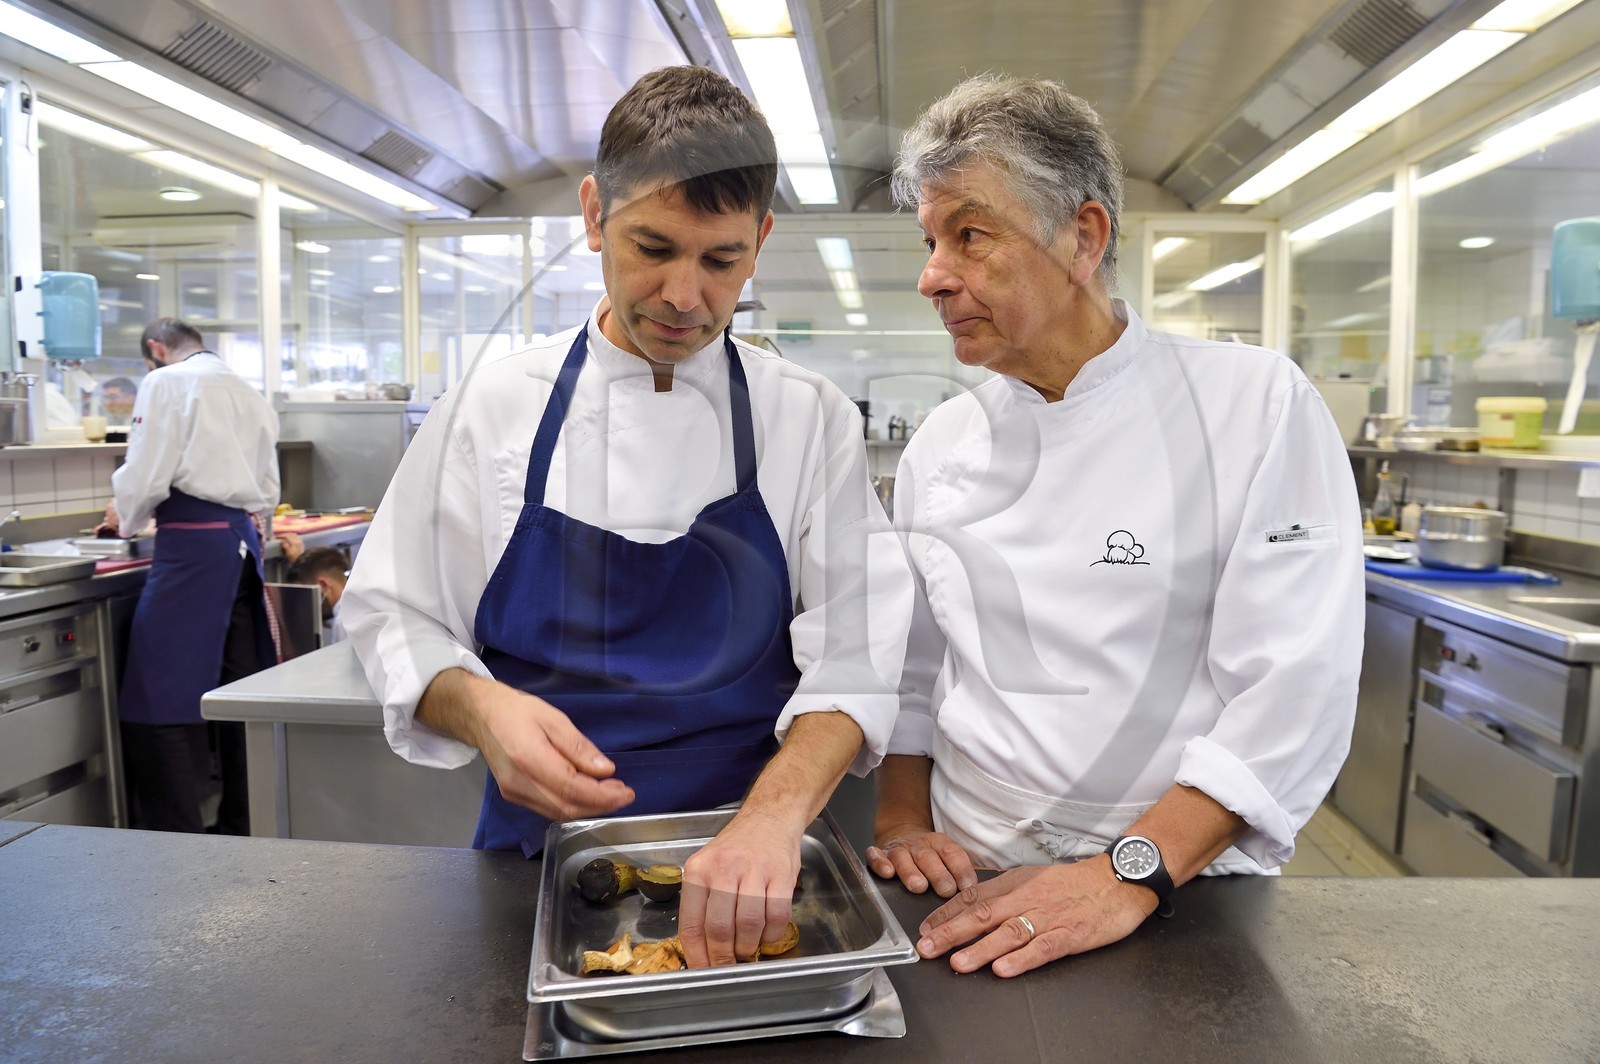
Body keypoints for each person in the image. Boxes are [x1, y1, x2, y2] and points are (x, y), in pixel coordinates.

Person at [343, 65, 907, 968]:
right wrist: (483, 709)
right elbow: (391, 613)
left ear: (760, 240)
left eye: (720, 260)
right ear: (595, 212)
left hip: (754, 861)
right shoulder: (491, 409)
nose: (685, 295)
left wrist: (772, 816)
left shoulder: (808, 418)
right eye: (652, 247)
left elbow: (861, 652)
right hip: (538, 863)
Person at [864, 74, 1364, 977]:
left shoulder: (1251, 406)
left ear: (1082, 237)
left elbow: (1295, 686)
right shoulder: (943, 443)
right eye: (932, 239)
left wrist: (1125, 873)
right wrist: (902, 820)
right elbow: (915, 667)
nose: (932, 275)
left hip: (1181, 891)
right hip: (967, 884)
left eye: (969, 235)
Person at [104, 317, 280, 835]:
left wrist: (125, 518)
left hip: (192, 547)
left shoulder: (165, 382)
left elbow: (146, 469)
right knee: (237, 695)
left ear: (156, 349)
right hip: (240, 547)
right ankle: (242, 826)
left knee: (157, 692)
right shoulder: (247, 390)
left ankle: (175, 836)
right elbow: (267, 487)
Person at [286, 546, 349, 645]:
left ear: (323, 584)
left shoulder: (343, 622)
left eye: (304, 596)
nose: (303, 606)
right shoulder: (358, 605)